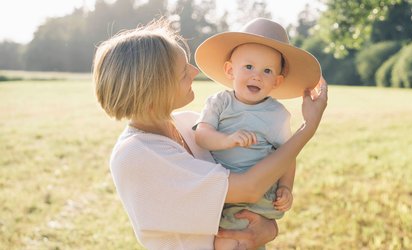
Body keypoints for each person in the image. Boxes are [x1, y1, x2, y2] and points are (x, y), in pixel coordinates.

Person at [93, 17, 327, 250]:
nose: (195, 71)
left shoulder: (189, 123)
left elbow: (256, 186)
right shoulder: (135, 154)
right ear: (154, 85)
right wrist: (309, 127)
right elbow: (248, 187)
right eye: (184, 71)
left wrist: (268, 228)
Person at [193, 18, 321, 250]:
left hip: (259, 196)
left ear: (277, 81)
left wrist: (286, 188)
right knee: (228, 240)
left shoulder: (276, 114)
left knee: (235, 241)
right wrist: (226, 140)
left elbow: (286, 156)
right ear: (230, 70)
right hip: (226, 190)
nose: (256, 76)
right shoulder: (220, 102)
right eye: (248, 67)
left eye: (267, 71)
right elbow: (202, 135)